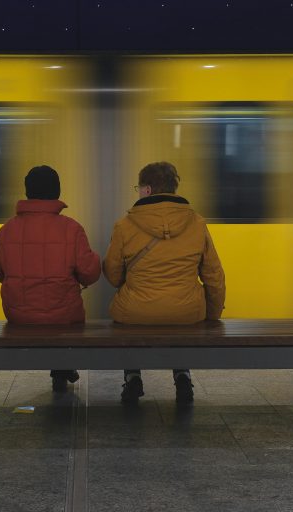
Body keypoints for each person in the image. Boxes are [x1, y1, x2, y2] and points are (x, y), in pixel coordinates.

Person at [103, 161, 225, 404]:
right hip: (187, 312)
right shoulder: (197, 224)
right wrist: (212, 315)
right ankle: (182, 376)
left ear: (147, 189)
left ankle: (133, 377)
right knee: (179, 318)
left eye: (139, 187)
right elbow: (214, 275)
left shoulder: (124, 226)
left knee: (129, 319)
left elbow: (113, 275)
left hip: (136, 312)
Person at [0, 165, 101, 392]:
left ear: (27, 192)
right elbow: (90, 273)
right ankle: (62, 367)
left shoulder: (7, 229)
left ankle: (61, 368)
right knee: (64, 314)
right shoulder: (72, 228)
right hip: (64, 317)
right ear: (57, 192)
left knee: (52, 315)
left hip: (19, 315)